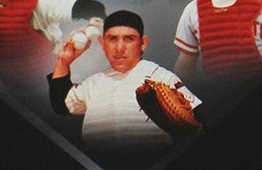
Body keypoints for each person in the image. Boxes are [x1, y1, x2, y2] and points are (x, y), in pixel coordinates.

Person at [48, 10, 202, 158]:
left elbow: (199, 119)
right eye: (112, 39)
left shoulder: (161, 77)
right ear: (103, 43)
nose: (120, 47)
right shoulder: (94, 82)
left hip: (150, 161)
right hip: (100, 164)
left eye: (129, 38)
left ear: (143, 43)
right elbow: (60, 104)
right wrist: (63, 61)